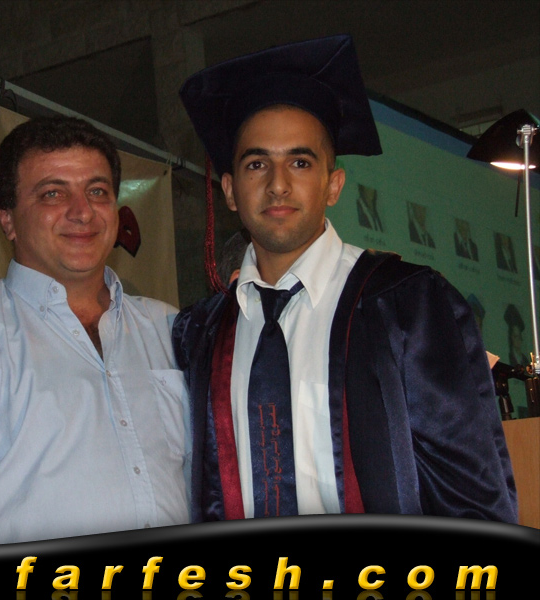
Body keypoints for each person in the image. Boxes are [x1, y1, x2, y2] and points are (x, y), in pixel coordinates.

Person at [174, 34, 516, 522]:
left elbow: (471, 496)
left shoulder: (407, 305)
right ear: (229, 190)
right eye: (256, 164)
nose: (277, 184)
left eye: (300, 162)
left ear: (333, 185)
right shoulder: (200, 334)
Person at [0, 116, 190, 544]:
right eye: (53, 193)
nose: (82, 211)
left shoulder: (170, 329)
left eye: (97, 191)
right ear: (7, 219)